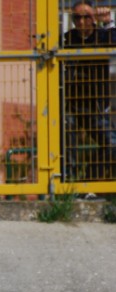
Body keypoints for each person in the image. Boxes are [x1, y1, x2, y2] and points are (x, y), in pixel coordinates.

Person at [62, 1, 116, 180]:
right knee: (65, 141)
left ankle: (89, 183)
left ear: (94, 19)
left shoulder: (103, 36)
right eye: (77, 17)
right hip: (71, 103)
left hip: (95, 105)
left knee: (111, 144)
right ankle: (69, 184)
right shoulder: (68, 39)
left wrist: (108, 21)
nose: (82, 22)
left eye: (87, 17)